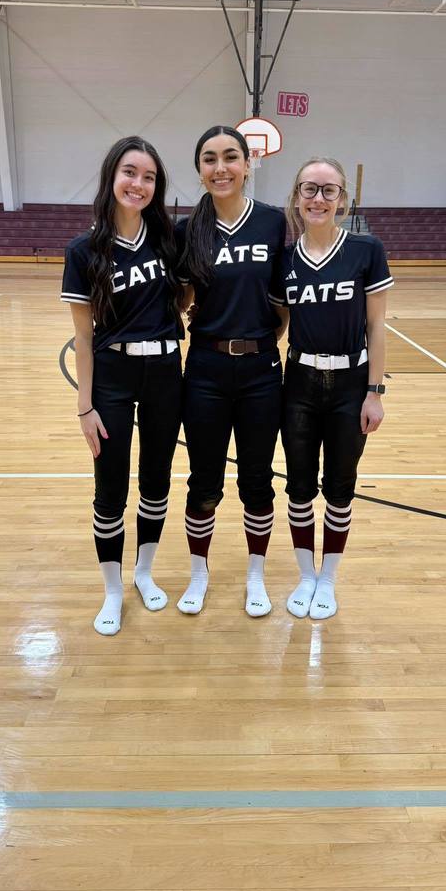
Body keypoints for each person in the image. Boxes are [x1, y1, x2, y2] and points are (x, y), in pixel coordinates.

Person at [61, 136, 184, 635]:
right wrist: (84, 407)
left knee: (156, 481)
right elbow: (83, 339)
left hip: (164, 373)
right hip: (111, 376)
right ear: (112, 177)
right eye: (130, 173)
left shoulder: (167, 241)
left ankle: (144, 572)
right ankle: (112, 589)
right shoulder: (82, 249)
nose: (139, 184)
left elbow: (186, 298)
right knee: (109, 489)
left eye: (149, 177)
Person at [176, 125, 288, 617]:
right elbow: (179, 298)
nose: (220, 167)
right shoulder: (187, 229)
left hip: (262, 369)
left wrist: (263, 342)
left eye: (229, 157)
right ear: (199, 170)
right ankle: (199, 573)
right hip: (204, 368)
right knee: (204, 481)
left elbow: (284, 300)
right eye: (209, 159)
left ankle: (255, 575)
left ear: (247, 164)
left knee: (258, 481)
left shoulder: (272, 223)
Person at [280, 157, 393, 619]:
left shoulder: (366, 250)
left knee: (340, 487)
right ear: (296, 198)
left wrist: (375, 391)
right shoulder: (285, 259)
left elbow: (378, 324)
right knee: (299, 487)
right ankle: (306, 575)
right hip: (299, 383)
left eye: (329, 191)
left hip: (350, 383)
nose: (319, 199)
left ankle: (328, 579)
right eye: (310, 189)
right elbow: (278, 323)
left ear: (343, 199)